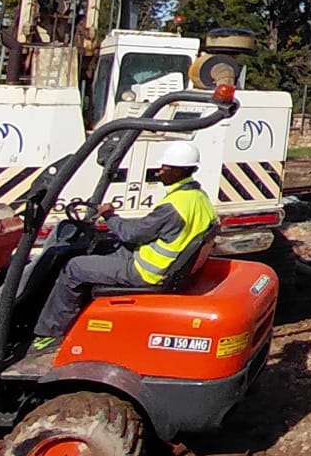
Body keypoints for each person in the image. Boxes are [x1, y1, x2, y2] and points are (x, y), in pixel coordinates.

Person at [30, 140, 218, 354]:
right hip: (161, 263)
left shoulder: (173, 207)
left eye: (166, 167)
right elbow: (147, 230)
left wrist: (109, 216)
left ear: (180, 170)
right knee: (107, 246)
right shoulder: (197, 197)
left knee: (74, 267)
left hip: (147, 272)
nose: (160, 171)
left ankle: (50, 334)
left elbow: (133, 233)